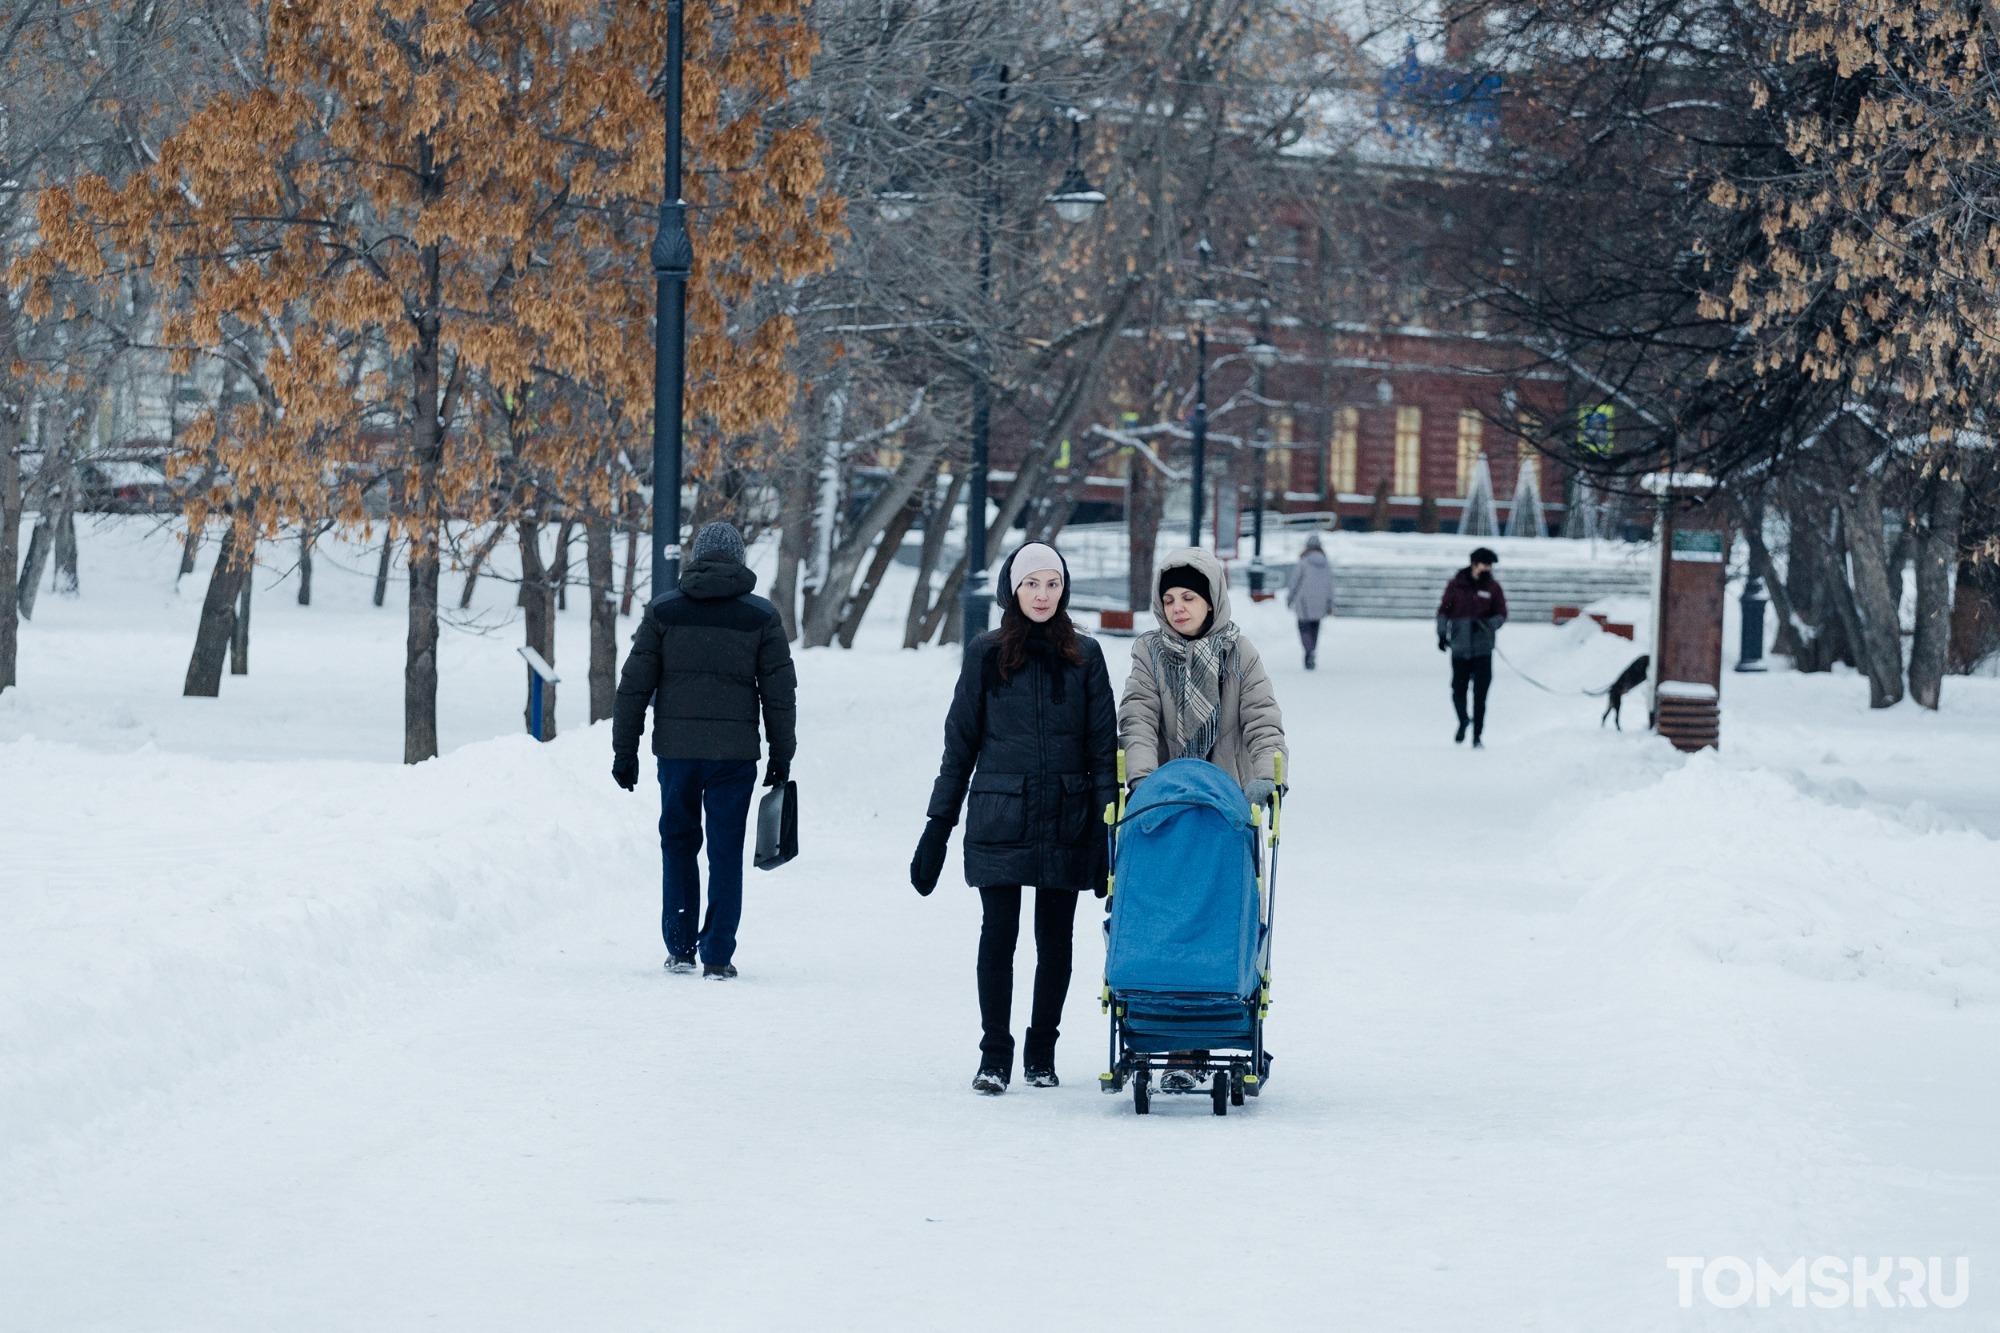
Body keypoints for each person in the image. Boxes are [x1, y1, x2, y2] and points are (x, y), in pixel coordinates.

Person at [910, 542, 1117, 1096]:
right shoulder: (984, 653)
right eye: (1032, 584)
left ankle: (1041, 1050)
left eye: (1052, 584)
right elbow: (960, 746)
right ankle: (994, 1054)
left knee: (1056, 940)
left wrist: (1105, 831)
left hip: (1068, 815)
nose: (1043, 595)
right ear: (1013, 589)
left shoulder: (1087, 656)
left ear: (1064, 589)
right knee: (998, 936)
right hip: (1001, 814)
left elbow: (1104, 749)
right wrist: (938, 825)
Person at [1118, 547, 1288, 1090]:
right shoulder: (1149, 653)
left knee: (1219, 919)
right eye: (1168, 599)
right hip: (1164, 817)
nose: (1178, 608)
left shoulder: (1240, 653)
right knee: (1169, 923)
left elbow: (1262, 718)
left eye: (1189, 597)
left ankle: (1218, 1025)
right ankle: (1176, 1043)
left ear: (1212, 598)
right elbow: (1138, 716)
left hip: (1226, 815)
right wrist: (1144, 783)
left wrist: (1266, 777)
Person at [612, 522, 796, 978]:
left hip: (676, 752)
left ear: (697, 557)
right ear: (738, 559)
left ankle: (679, 946)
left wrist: (625, 750)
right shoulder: (761, 616)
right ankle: (717, 954)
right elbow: (779, 692)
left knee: (678, 842)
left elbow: (634, 687)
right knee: (725, 849)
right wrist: (781, 753)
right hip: (734, 755)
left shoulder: (664, 610)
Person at [1435, 546, 1507, 748]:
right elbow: (1444, 611)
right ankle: (1463, 720)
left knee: (1481, 694)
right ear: (1474, 564)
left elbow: (1501, 613)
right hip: (1460, 647)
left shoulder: (1493, 588)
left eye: (1490, 565)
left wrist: (1488, 624)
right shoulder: (1456, 586)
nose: (1488, 568)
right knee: (1458, 689)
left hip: (1483, 648)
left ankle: (1477, 735)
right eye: (1485, 564)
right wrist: (1442, 634)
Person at [1284, 533, 1336, 670]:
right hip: (1320, 602)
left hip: (1304, 602)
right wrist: (1330, 603)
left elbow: (1295, 581)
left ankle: (1308, 650)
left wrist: (1290, 598)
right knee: (1315, 627)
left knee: (1303, 627)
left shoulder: (1304, 562)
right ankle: (1312, 649)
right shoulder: (1326, 563)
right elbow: (1330, 584)